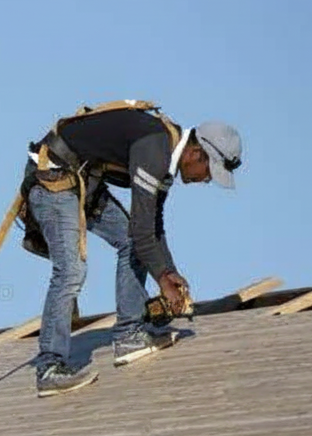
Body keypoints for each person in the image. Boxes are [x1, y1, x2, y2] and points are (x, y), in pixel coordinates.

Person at [18, 100, 242, 396]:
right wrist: (162, 279)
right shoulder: (155, 149)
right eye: (209, 171)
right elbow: (142, 229)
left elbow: (152, 224)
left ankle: (128, 336)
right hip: (53, 179)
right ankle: (49, 367)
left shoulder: (166, 155)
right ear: (195, 153)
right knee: (71, 271)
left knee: (133, 244)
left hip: (82, 181)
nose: (207, 179)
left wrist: (169, 271)